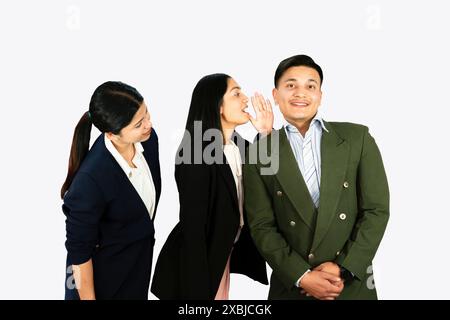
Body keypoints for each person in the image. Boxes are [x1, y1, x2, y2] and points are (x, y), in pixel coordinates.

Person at [244, 55, 390, 300]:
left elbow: (376, 210)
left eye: (310, 86)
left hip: (349, 285)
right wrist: (302, 276)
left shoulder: (357, 138)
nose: (301, 93)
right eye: (291, 85)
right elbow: (261, 226)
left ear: (320, 95)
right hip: (293, 287)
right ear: (276, 95)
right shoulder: (260, 152)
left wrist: (342, 268)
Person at [151, 73, 271, 299]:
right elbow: (193, 229)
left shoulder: (237, 145)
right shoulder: (195, 153)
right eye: (236, 93)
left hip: (222, 254)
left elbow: (269, 178)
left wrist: (264, 133)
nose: (245, 99)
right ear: (218, 106)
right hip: (196, 264)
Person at [61, 81, 161, 300]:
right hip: (101, 287)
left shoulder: (149, 141)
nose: (148, 124)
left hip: (136, 274)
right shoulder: (91, 180)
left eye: (147, 113)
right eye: (138, 124)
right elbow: (79, 255)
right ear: (112, 134)